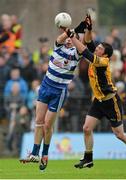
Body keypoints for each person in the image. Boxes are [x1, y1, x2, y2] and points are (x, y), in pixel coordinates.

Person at [64, 15, 126, 173]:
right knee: (87, 128)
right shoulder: (98, 54)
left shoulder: (103, 61)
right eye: (98, 47)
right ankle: (88, 158)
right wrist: (88, 28)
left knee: (119, 134)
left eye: (100, 48)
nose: (97, 48)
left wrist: (72, 36)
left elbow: (85, 52)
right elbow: (87, 42)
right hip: (98, 101)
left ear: (105, 54)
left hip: (110, 101)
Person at [20, 28, 82, 170]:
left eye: (72, 38)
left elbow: (81, 45)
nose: (68, 39)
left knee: (48, 125)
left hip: (59, 92)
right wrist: (68, 31)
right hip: (45, 86)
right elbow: (59, 39)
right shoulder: (58, 47)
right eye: (67, 37)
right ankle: (35, 153)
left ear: (75, 41)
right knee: (38, 121)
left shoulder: (76, 54)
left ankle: (45, 154)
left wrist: (76, 35)